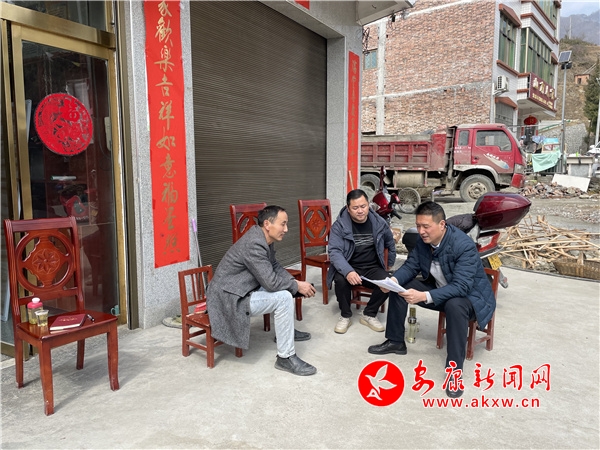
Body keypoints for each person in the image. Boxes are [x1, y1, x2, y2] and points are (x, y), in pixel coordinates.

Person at [368, 201, 496, 398]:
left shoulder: (463, 246)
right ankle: (395, 341)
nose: (421, 231)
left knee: (454, 305)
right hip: (441, 290)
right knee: (400, 288)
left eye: (426, 226)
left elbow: (461, 287)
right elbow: (411, 266)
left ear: (442, 224)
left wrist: (424, 296)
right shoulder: (423, 242)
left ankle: (454, 372)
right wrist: (393, 281)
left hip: (471, 298)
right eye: (418, 226)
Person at [206, 205, 317, 376]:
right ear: (267, 224)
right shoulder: (254, 244)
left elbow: (274, 266)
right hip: (229, 298)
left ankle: (284, 333)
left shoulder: (264, 238)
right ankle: (285, 357)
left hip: (242, 288)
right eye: (283, 224)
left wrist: (294, 282)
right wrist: (296, 286)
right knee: (283, 297)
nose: (286, 229)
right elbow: (271, 282)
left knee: (286, 287)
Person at [327, 189, 396, 334]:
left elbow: (390, 242)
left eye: (363, 206)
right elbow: (334, 252)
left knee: (389, 282)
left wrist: (390, 262)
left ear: (368, 205)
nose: (360, 211)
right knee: (340, 280)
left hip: (372, 267)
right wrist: (348, 271)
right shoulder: (339, 226)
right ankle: (345, 315)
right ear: (348, 208)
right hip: (350, 265)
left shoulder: (378, 222)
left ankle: (369, 314)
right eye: (355, 208)